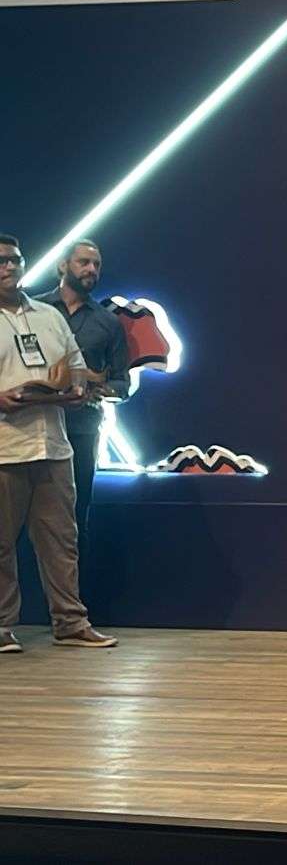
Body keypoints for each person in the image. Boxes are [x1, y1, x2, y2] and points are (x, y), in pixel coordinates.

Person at [0, 233, 116, 653]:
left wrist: (76, 388)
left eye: (15, 260)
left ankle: (70, 622)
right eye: (1, 261)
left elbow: (77, 366)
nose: (9, 267)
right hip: (5, 448)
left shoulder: (48, 315)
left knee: (61, 539)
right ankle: (2, 627)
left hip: (53, 443)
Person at [37, 240, 130, 557]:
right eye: (84, 262)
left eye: (97, 264)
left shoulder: (108, 322)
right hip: (31, 427)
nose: (91, 269)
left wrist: (97, 388)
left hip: (81, 430)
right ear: (63, 265)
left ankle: (73, 588)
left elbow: (122, 382)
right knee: (17, 518)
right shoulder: (33, 311)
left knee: (74, 519)